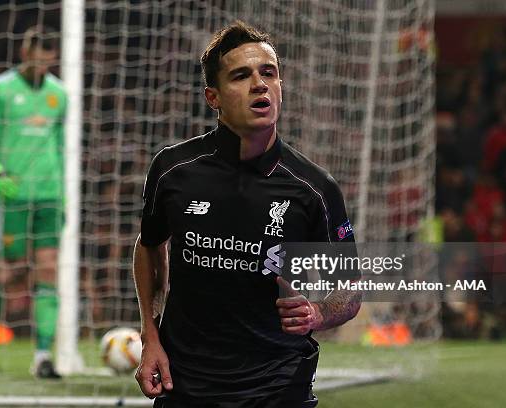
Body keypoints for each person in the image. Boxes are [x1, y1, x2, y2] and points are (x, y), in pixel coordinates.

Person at [134, 21, 361, 407]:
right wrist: (150, 337)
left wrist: (318, 314)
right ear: (213, 97)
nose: (259, 84)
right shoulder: (173, 169)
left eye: (268, 73)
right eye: (241, 76)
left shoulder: (315, 188)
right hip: (187, 386)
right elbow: (150, 246)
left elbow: (351, 288)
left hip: (279, 386)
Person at [0, 25, 66, 379]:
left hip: (49, 195)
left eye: (48, 62)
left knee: (48, 270)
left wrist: (65, 194)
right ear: (26, 54)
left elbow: (61, 147)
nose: (42, 69)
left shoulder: (59, 94)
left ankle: (43, 355)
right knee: (5, 272)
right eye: (37, 61)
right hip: (11, 194)